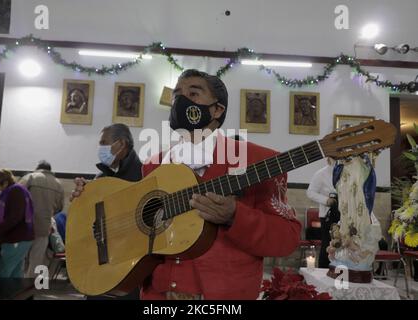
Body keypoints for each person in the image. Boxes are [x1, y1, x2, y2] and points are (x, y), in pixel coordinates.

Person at [140, 69, 301, 299]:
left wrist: (235, 216)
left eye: (193, 93)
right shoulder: (153, 164)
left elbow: (286, 238)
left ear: (217, 109)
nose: (181, 101)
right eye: (176, 95)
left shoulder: (259, 160)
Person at [71, 123, 142, 299]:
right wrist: (83, 199)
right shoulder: (101, 178)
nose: (100, 148)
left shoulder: (144, 176)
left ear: (122, 144)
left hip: (130, 270)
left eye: (104, 142)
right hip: (99, 266)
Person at [0, 169, 34, 278]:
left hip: (17, 238)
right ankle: (10, 294)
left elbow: (14, 217)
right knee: (14, 274)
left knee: (2, 272)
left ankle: (1, 294)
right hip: (7, 238)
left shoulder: (16, 191)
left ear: (5, 183)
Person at [19, 160, 64, 278]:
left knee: (20, 259)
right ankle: (28, 289)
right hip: (44, 227)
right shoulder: (58, 183)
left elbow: (17, 197)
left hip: (24, 226)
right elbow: (59, 207)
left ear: (37, 168)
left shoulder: (29, 177)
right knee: (36, 260)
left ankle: (15, 288)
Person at [306, 157, 338, 268]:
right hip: (328, 214)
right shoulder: (321, 174)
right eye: (334, 158)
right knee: (327, 244)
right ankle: (324, 270)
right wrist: (326, 200)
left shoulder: (347, 173)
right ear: (328, 159)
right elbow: (310, 192)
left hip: (344, 214)